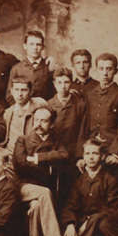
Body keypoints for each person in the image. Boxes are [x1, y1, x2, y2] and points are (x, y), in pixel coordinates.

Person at [12, 105, 72, 236]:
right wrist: (49, 169)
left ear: (51, 124)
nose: (38, 124)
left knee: (37, 207)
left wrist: (37, 158)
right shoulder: (22, 139)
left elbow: (65, 156)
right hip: (22, 187)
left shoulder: (57, 143)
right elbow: (20, 165)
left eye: (44, 121)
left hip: (42, 196)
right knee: (45, 192)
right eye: (36, 120)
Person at [60, 139, 118, 236]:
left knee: (100, 221)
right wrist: (70, 224)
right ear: (83, 156)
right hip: (81, 224)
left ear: (102, 156)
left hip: (100, 225)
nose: (91, 157)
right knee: (64, 229)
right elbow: (71, 206)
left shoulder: (111, 180)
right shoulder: (78, 181)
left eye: (95, 153)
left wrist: (89, 222)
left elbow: (111, 209)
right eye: (87, 154)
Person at [77, 53, 118, 174]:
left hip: (111, 153)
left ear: (116, 71)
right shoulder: (90, 95)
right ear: (96, 70)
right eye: (101, 69)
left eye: (109, 69)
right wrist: (81, 155)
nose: (105, 73)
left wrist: (115, 154)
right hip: (91, 153)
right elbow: (84, 127)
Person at [47, 67, 88, 208]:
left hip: (72, 156)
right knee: (52, 190)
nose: (63, 87)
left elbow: (83, 132)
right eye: (59, 82)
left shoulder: (80, 105)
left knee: (71, 191)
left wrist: (79, 157)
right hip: (53, 155)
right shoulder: (48, 105)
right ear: (54, 83)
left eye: (66, 82)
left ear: (71, 83)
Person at [0, 76, 47, 168]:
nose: (20, 94)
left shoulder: (39, 105)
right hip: (12, 159)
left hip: (33, 156)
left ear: (30, 91)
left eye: (24, 90)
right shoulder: (7, 113)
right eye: (16, 90)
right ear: (12, 91)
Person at [5, 30, 56, 105]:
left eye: (38, 44)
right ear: (25, 46)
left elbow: (57, 93)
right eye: (31, 44)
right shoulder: (17, 68)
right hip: (23, 111)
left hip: (45, 110)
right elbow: (9, 96)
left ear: (43, 47)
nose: (35, 48)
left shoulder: (50, 66)